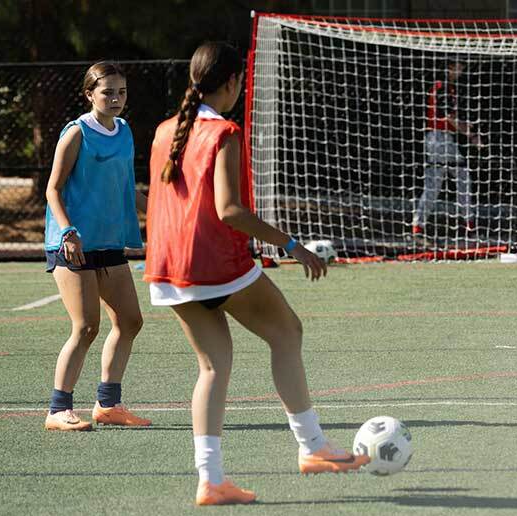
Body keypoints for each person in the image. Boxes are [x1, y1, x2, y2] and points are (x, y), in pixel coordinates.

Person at [145, 42, 369, 506]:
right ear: (232, 81)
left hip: (168, 267)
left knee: (213, 367)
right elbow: (229, 209)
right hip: (214, 263)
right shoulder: (225, 132)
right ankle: (313, 447)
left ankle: (211, 480)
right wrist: (291, 245)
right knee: (287, 332)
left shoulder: (165, 130)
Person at [42, 62, 151, 432]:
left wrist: (164, 216)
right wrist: (68, 232)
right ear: (89, 94)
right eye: (108, 92)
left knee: (130, 321)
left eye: (122, 92)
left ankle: (108, 404)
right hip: (72, 243)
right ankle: (58, 410)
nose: (116, 98)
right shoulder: (77, 132)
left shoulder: (124, 130)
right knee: (86, 326)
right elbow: (53, 189)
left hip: (109, 241)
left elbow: (127, 187)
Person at [411, 60, 481, 237]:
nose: (462, 70)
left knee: (437, 184)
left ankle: (418, 226)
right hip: (439, 139)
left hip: (440, 138)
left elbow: (449, 116)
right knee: (461, 177)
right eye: (459, 66)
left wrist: (465, 125)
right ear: (450, 67)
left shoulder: (447, 88)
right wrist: (471, 135)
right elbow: (448, 116)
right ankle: (469, 224)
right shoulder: (442, 87)